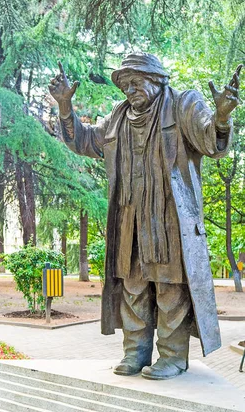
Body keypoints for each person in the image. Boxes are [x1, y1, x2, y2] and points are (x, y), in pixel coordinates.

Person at [49, 53, 242, 380]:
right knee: (133, 286)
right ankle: (135, 353)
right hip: (129, 218)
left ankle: (171, 357)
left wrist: (221, 116)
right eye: (125, 84)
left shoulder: (183, 105)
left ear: (157, 79)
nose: (129, 89)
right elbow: (83, 141)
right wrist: (65, 108)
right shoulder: (117, 117)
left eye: (136, 81)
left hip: (169, 219)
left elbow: (212, 142)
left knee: (170, 290)